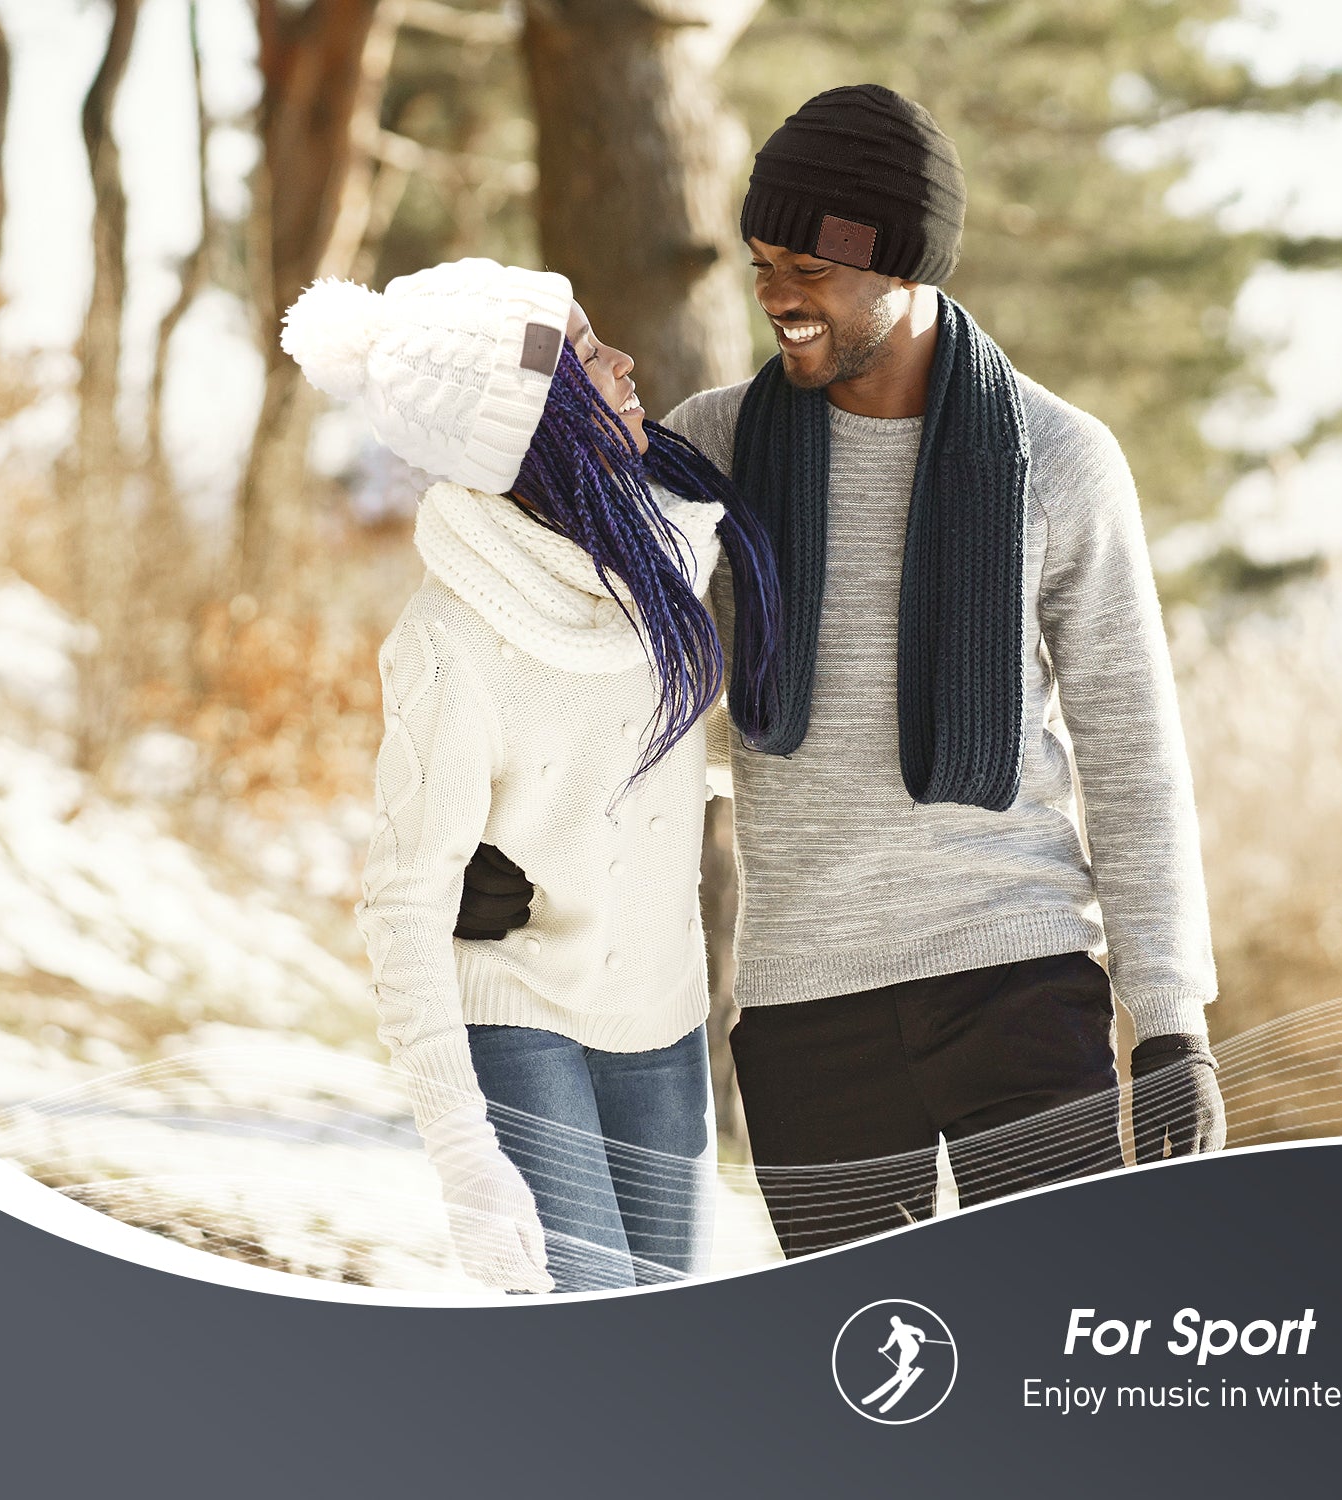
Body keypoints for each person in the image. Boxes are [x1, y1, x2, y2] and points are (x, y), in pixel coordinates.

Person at [657, 84, 1226, 1257]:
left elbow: (1130, 745)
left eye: (808, 267)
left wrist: (1172, 1021)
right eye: (763, 263)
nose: (776, 297)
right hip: (806, 1001)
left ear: (901, 266)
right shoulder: (712, 448)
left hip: (1018, 980)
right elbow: (599, 681)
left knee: (1056, 1362)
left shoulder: (1057, 457)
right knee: (869, 1393)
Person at [281, 258, 780, 1292]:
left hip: (661, 1013)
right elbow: (405, 903)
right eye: (590, 355)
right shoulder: (450, 639)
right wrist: (467, 1158)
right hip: (519, 1014)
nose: (627, 362)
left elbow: (676, 761)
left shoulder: (655, 568)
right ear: (535, 421)